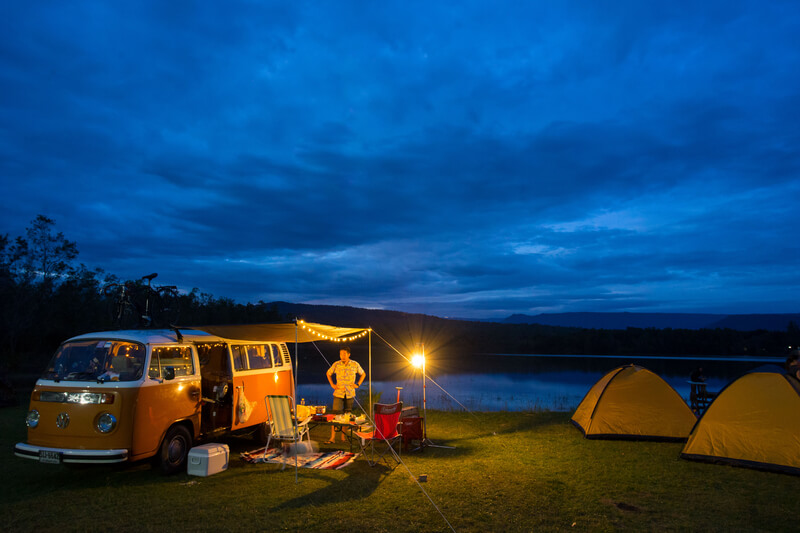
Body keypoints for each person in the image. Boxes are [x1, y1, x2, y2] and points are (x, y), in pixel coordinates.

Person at [325, 346, 364, 444]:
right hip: (338, 393)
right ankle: (332, 438)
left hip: (350, 393)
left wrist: (357, 384)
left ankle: (343, 438)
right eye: (341, 354)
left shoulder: (355, 364)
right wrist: (332, 385)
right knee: (336, 415)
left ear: (348, 354)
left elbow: (363, 374)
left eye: (344, 354)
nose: (342, 356)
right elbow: (328, 373)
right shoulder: (336, 364)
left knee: (346, 416)